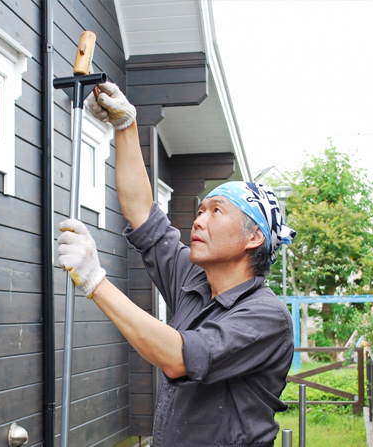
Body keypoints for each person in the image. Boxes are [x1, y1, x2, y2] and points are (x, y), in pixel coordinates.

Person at [57, 81, 296, 447]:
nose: (199, 220)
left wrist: (95, 281)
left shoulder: (266, 317)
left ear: (254, 237)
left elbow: (179, 356)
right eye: (200, 211)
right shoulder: (194, 280)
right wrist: (125, 126)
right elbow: (142, 214)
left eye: (217, 212)